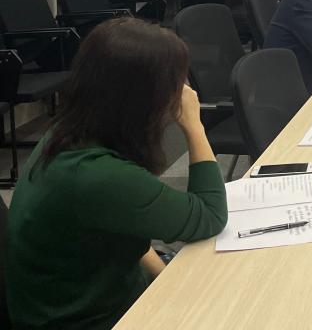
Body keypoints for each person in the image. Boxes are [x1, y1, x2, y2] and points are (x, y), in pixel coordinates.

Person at [5, 17, 228, 330]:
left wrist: (164, 277)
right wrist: (194, 126)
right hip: (92, 319)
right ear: (143, 98)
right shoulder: (98, 175)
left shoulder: (67, 133)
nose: (182, 93)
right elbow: (210, 216)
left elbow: (125, 228)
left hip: (97, 293)